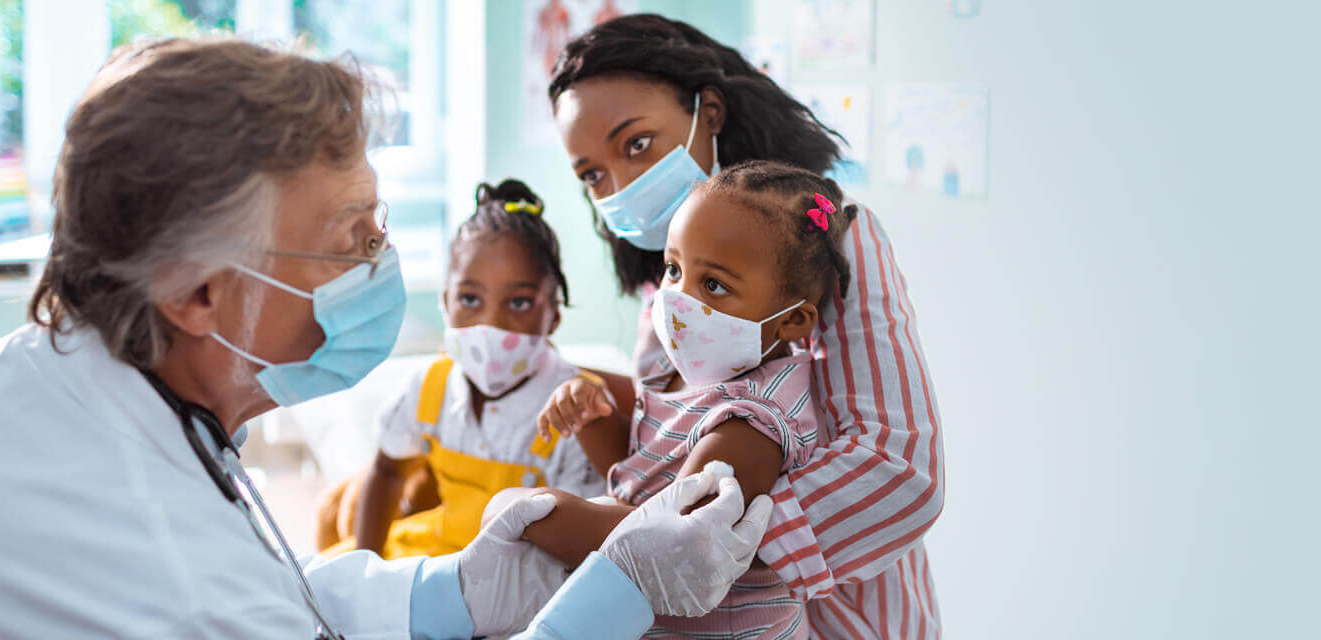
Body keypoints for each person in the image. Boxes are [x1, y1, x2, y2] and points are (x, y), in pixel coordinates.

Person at [0, 37, 772, 639]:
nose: (381, 259)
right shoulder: (159, 564)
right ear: (200, 292)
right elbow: (223, 601)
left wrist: (448, 590)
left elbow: (268, 590)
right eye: (352, 235)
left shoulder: (51, 374)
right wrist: (611, 598)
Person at [535, 14, 945, 637]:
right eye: (593, 174)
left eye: (637, 144)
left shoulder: (836, 243)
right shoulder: (665, 283)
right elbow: (682, 426)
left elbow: (897, 469)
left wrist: (706, 544)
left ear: (712, 113)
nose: (621, 185)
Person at [506, 161, 871, 638]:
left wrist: (542, 513)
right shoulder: (686, 372)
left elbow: (664, 545)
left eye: (714, 285)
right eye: (674, 270)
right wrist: (593, 418)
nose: (679, 300)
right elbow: (641, 475)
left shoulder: (751, 425)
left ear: (793, 322)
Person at [335, 180, 606, 560]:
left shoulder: (576, 406)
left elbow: (586, 537)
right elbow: (388, 472)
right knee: (318, 582)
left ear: (554, 315)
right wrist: (362, 566)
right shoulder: (430, 387)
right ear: (446, 302)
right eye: (470, 299)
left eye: (520, 302)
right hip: (440, 551)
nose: (490, 324)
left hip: (522, 578)